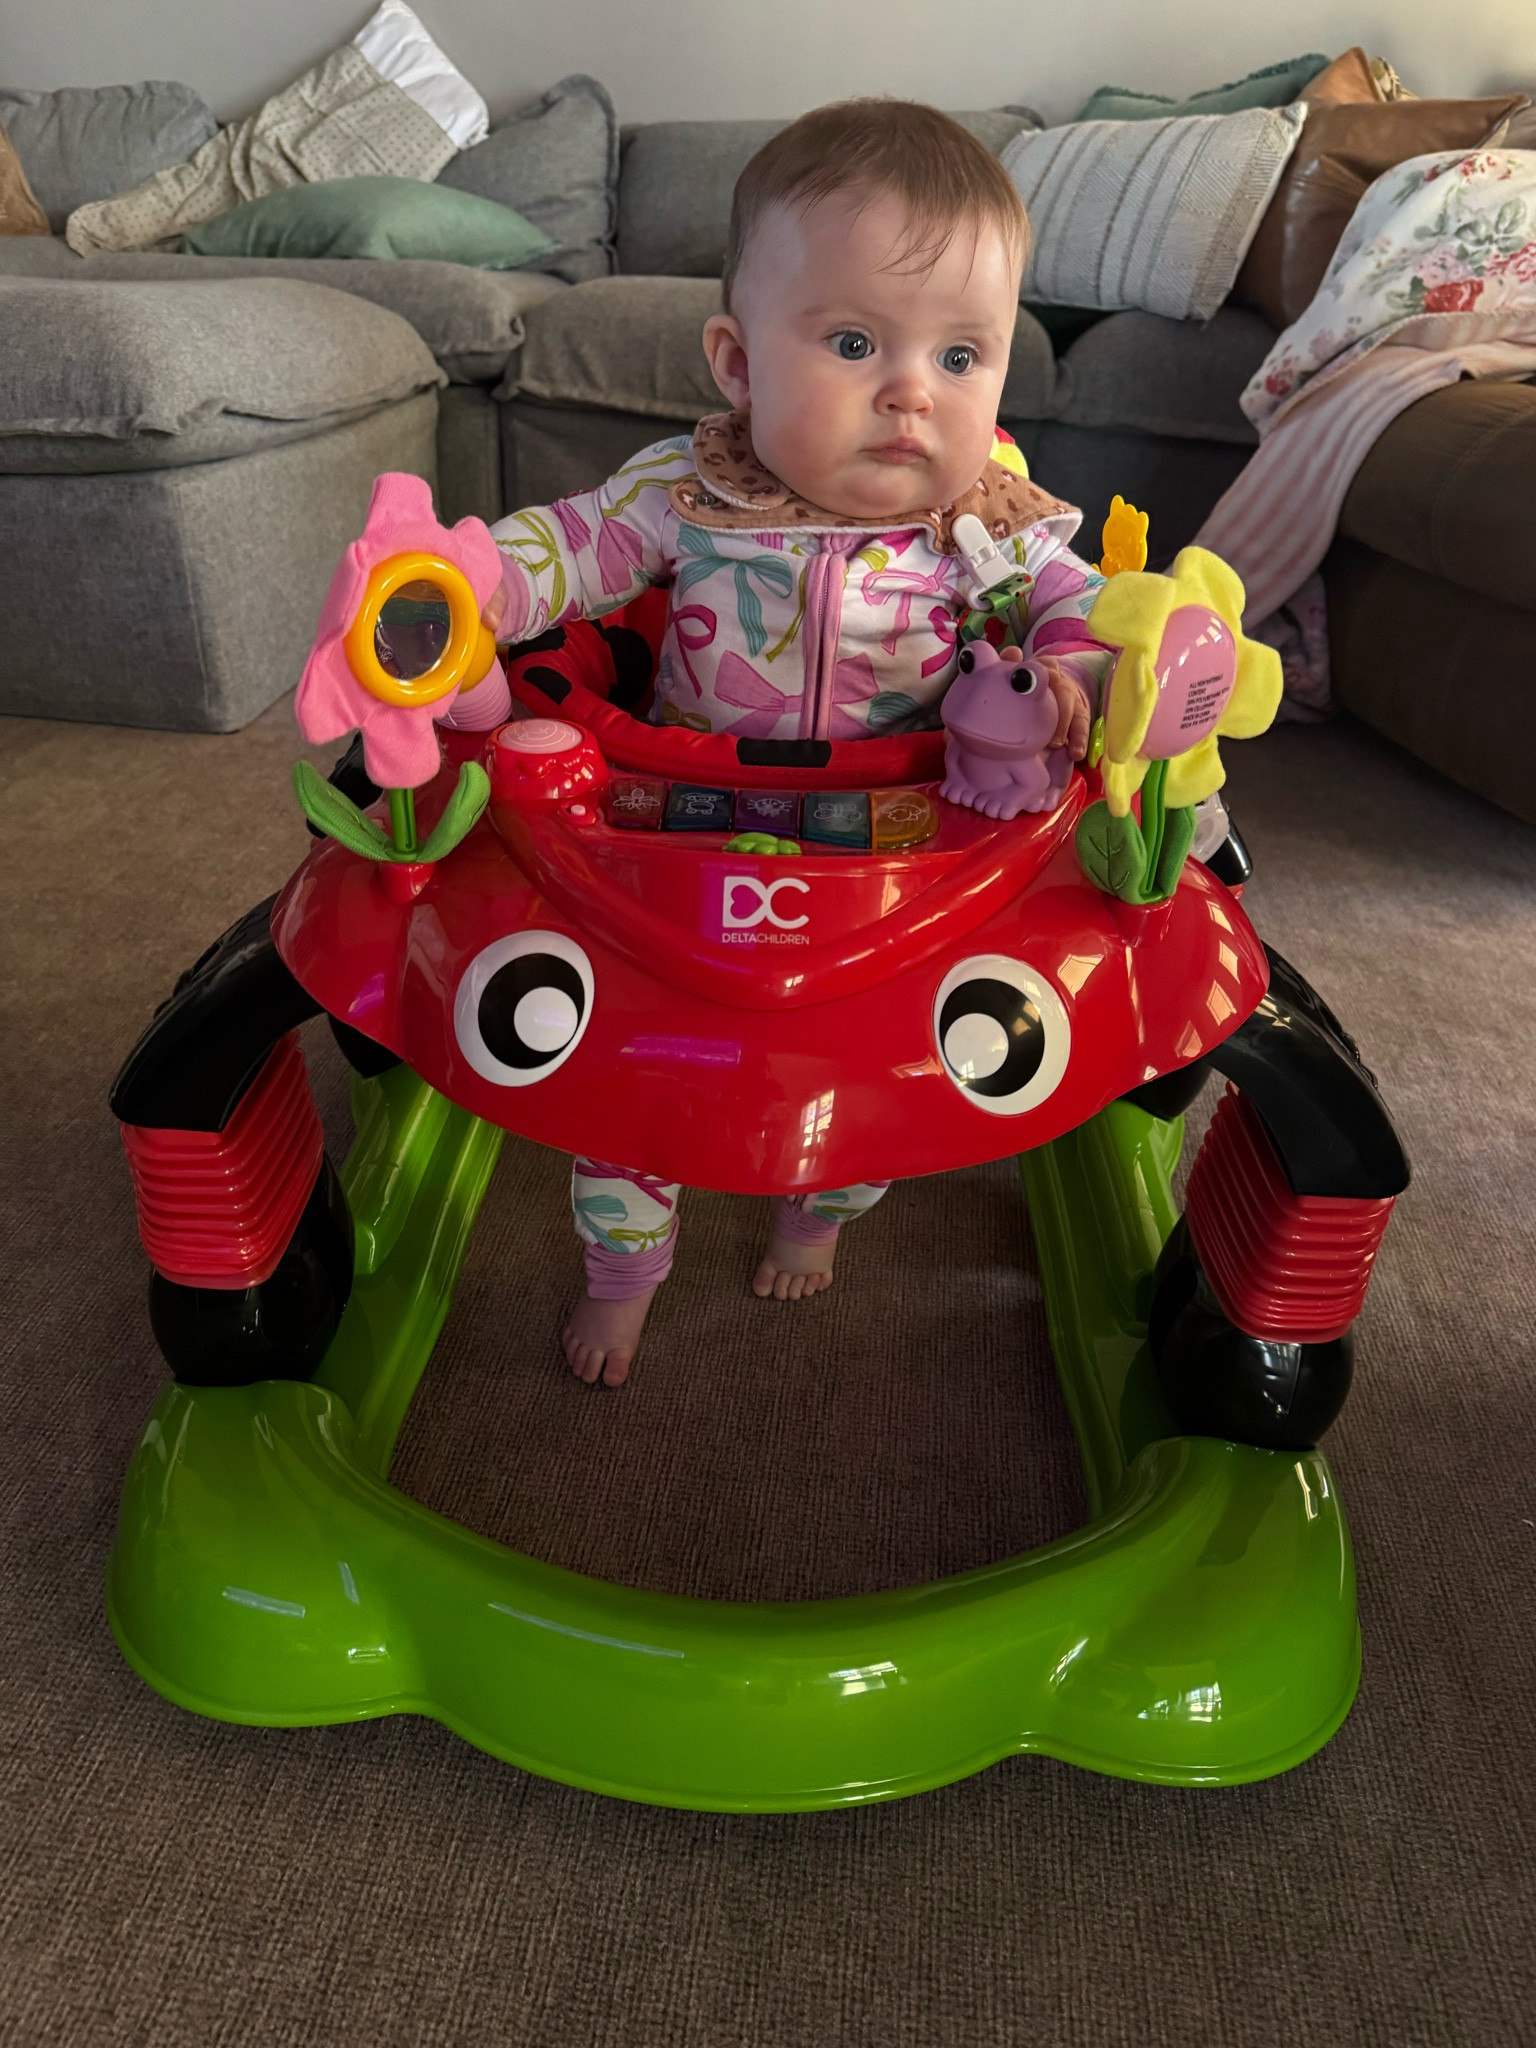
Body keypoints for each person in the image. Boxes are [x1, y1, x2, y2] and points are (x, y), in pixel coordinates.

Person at [475, 98, 1112, 1386]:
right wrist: (464, 579)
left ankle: (818, 1210)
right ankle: (625, 1270)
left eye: (962, 357)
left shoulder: (989, 524)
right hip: (684, 824)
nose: (910, 396)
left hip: (909, 847)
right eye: (858, 340)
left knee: (873, 1077)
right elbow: (569, 549)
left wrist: (1077, 676)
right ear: (738, 360)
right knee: (629, 1082)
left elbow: (1077, 606)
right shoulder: (686, 490)